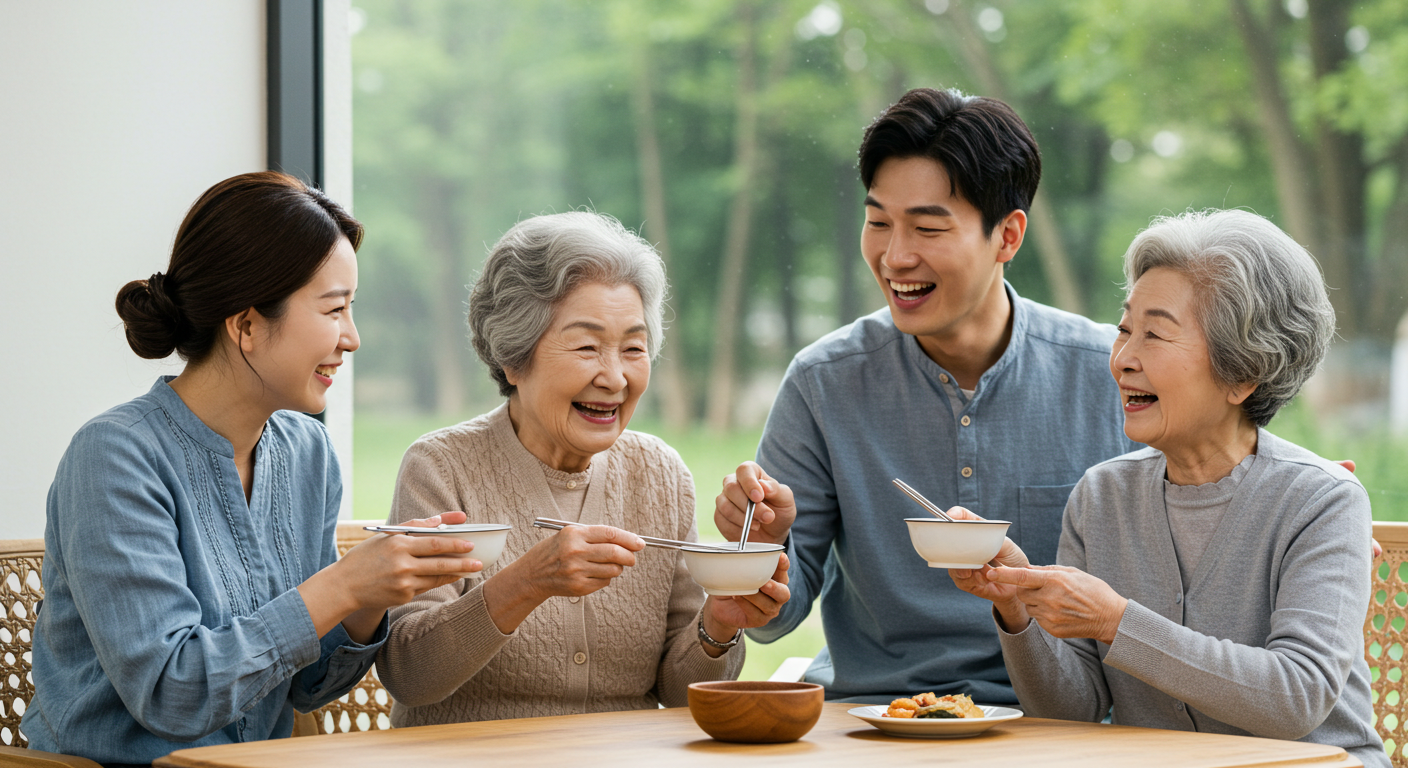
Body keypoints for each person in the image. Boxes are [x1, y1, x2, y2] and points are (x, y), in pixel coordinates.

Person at [25, 172, 480, 766]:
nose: (353, 338)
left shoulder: (306, 452)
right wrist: (341, 585)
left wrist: (373, 596)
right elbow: (171, 694)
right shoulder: (114, 457)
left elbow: (306, 687)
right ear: (245, 326)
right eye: (335, 309)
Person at [712, 87, 1135, 704]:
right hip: (871, 718)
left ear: (1008, 236)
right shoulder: (823, 380)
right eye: (878, 221)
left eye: (928, 227)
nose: (895, 255)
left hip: (1057, 723)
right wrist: (760, 548)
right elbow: (775, 616)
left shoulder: (1111, 375)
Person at [951, 209, 1387, 767]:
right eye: (1124, 329)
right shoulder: (1101, 495)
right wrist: (1017, 608)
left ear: (1243, 373)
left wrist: (1116, 621)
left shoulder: (1322, 500)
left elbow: (1296, 696)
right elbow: (1072, 710)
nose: (1122, 359)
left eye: (1154, 334)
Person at [376, 211, 789, 725]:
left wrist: (720, 624)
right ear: (513, 357)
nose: (614, 377)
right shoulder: (441, 468)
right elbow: (410, 673)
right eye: (587, 347)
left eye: (634, 348)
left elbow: (683, 696)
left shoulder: (660, 473)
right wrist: (525, 584)